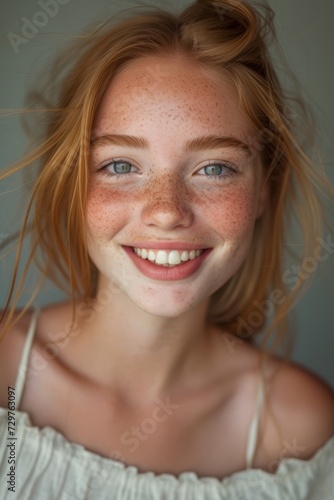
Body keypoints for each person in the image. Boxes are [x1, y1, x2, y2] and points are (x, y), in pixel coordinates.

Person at [0, 0, 333, 498]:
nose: (166, 211)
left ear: (264, 188)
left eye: (214, 168)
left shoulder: (296, 429)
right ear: (72, 181)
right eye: (120, 166)